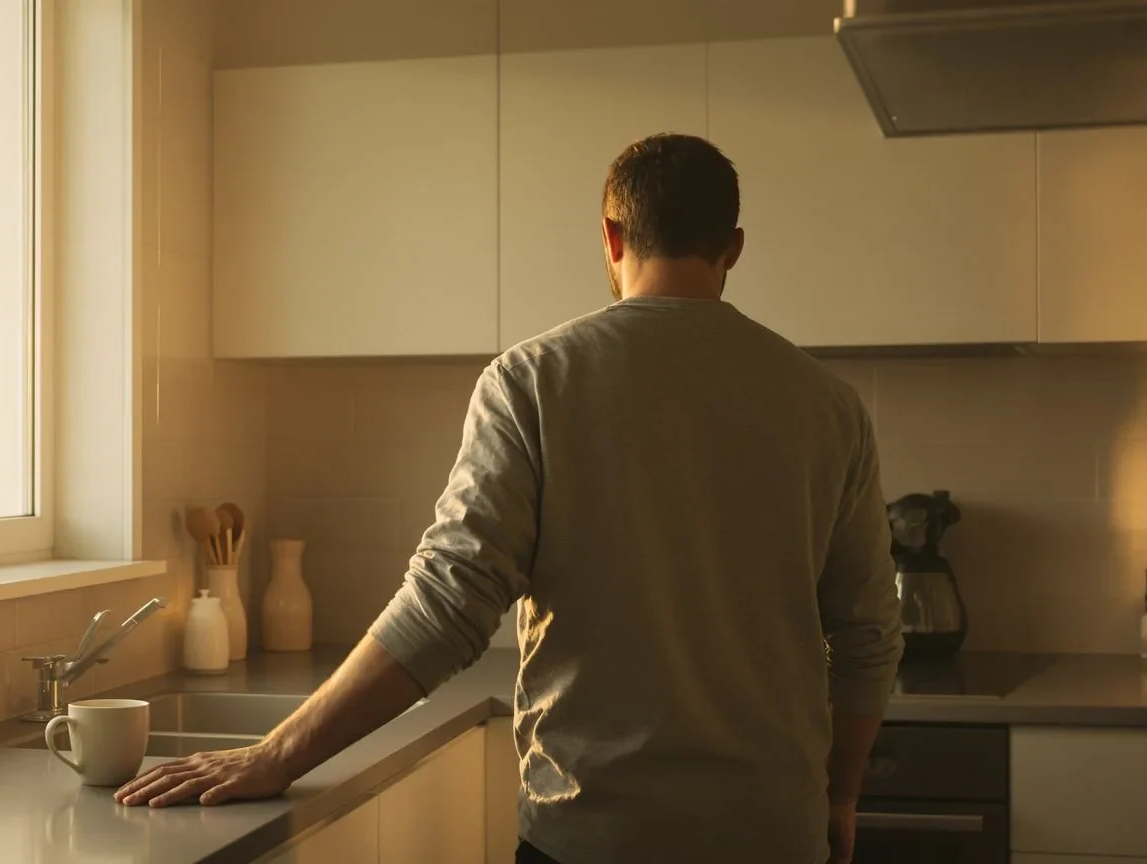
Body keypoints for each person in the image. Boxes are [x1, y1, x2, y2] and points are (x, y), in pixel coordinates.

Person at [116, 133, 905, 864]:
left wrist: (275, 755)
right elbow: (867, 637)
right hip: (770, 834)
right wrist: (838, 796)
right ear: (732, 247)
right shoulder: (829, 406)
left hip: (590, 836)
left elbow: (445, 609)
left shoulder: (532, 382)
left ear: (611, 237)